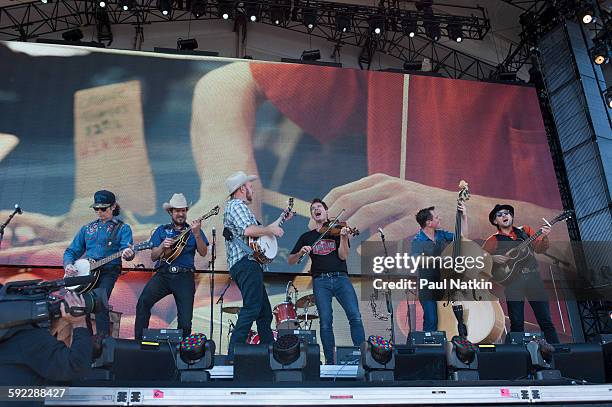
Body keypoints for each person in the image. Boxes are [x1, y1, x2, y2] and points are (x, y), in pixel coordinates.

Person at [288, 198, 365, 364]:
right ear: (312, 215)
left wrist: (344, 238)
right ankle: (330, 361)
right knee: (325, 321)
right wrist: (301, 252)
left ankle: (363, 357)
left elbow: (343, 256)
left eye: (319, 207)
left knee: (355, 316)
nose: (316, 209)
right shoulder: (307, 237)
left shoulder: (338, 231)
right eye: (313, 208)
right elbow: (291, 260)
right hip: (320, 281)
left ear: (326, 211)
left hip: (341, 278)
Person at [223, 171, 291, 360]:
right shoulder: (236, 205)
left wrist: (282, 218)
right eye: (250, 186)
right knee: (253, 308)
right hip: (246, 263)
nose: (252, 189)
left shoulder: (242, 208)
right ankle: (233, 354)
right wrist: (271, 229)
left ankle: (269, 354)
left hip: (250, 264)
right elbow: (248, 230)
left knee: (264, 314)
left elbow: (263, 234)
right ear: (242, 188)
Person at [134, 193, 209, 339]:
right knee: (143, 302)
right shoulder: (161, 230)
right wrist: (162, 245)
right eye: (177, 211)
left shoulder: (194, 230)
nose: (180, 214)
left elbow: (203, 252)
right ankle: (138, 343)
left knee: (185, 320)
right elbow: (154, 256)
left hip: (185, 276)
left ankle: (183, 353)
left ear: (186, 211)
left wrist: (197, 234)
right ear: (171, 212)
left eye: (183, 210)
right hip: (164, 274)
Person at [482, 204, 559, 343]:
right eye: (499, 215)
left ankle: (557, 354)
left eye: (507, 213)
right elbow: (480, 260)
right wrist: (492, 258)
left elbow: (539, 249)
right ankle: (518, 357)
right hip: (513, 283)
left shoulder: (525, 231)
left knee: (545, 321)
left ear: (511, 216)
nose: (504, 216)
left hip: (533, 279)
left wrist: (545, 236)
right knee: (517, 323)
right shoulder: (493, 240)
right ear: (495, 221)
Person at [63, 190, 134, 336]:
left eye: (103, 208)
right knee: (83, 306)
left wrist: (129, 253)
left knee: (100, 303)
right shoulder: (87, 228)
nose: (99, 212)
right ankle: (87, 341)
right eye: (96, 209)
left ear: (113, 207)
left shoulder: (123, 228)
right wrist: (69, 264)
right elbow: (71, 251)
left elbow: (127, 250)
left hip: (109, 270)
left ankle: (103, 342)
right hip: (87, 272)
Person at [0, 291, 93, 385]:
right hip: (40, 396)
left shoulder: (11, 337)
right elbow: (76, 367)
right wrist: (78, 322)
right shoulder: (30, 340)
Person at [410, 203, 467, 332]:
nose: (439, 218)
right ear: (429, 222)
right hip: (427, 285)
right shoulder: (418, 240)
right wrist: (438, 259)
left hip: (444, 283)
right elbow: (416, 260)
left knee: (454, 317)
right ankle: (429, 349)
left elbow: (462, 238)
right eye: (436, 217)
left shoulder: (441, 234)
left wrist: (464, 216)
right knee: (431, 319)